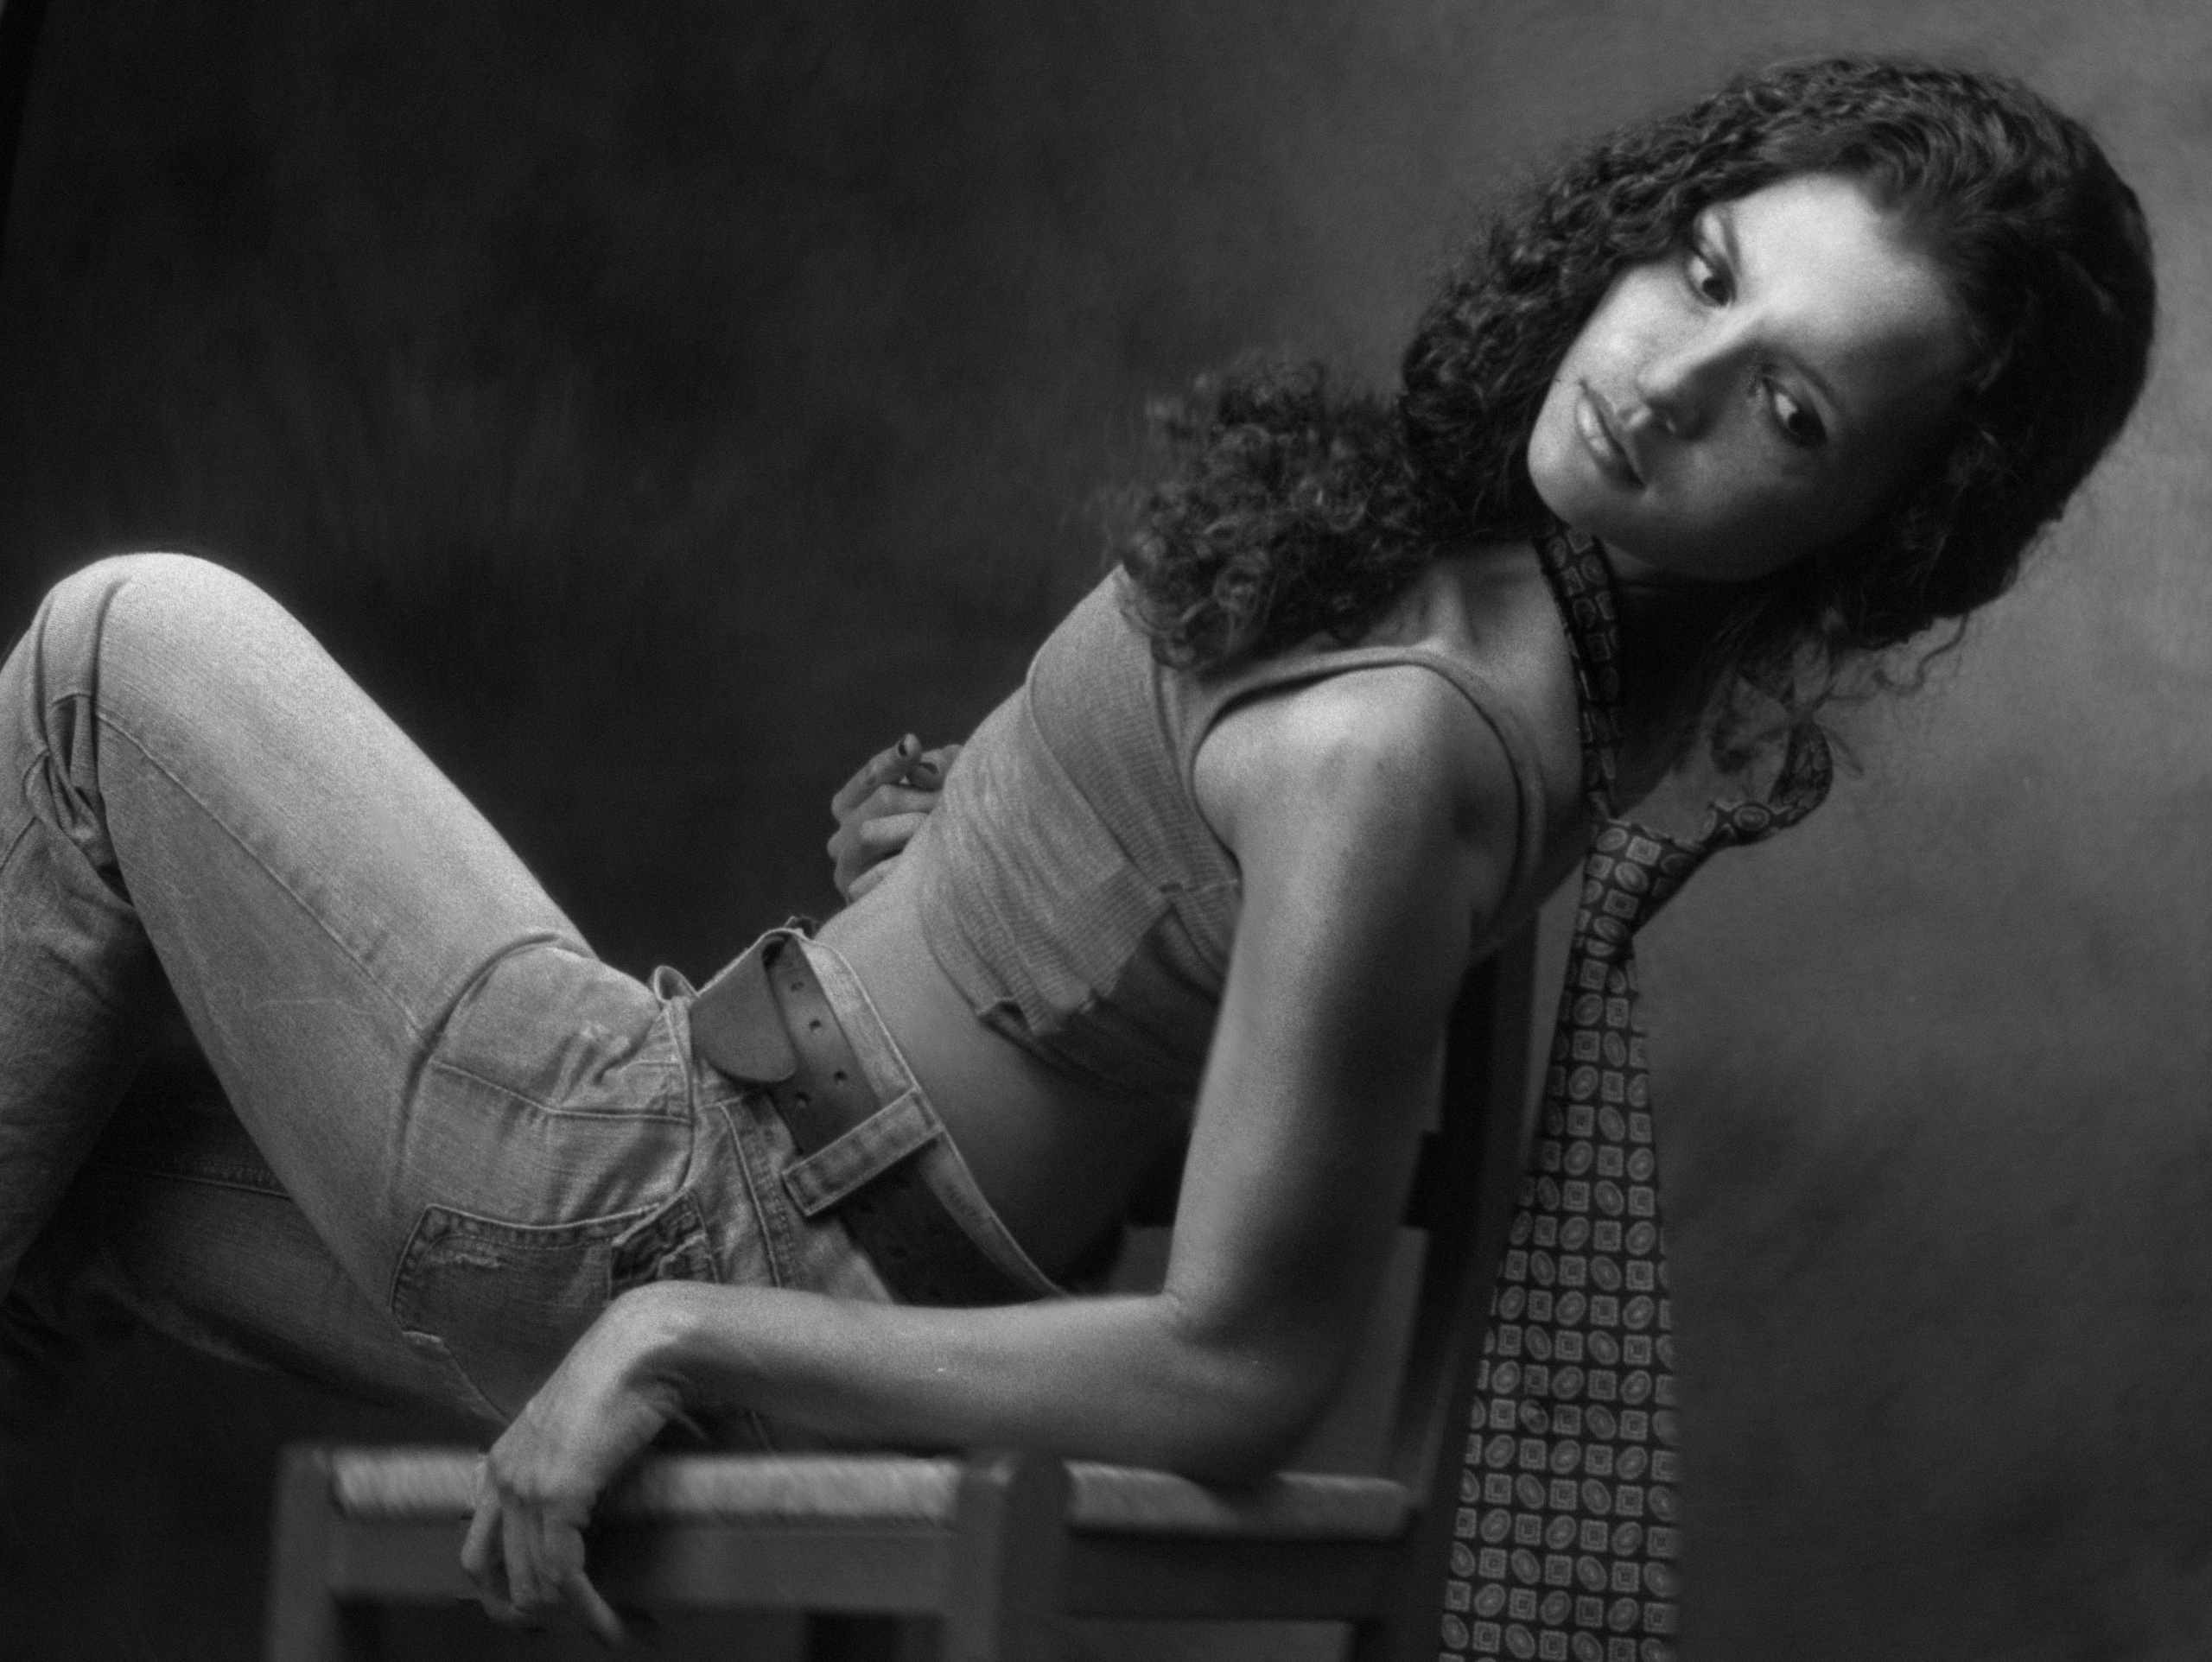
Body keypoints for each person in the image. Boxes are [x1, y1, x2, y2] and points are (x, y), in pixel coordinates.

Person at [0, 54, 2153, 1643]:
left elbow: (1237, 1365)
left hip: (673, 1224)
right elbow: (1180, 965)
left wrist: (679, 1334)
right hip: (745, 1197)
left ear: (1874, 540)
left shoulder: (1405, 744)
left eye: (1788, 411)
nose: (1668, 379)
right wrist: (991, 868)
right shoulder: (1529, 627)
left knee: (118, 646)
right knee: (58, 1135)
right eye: (1701, 271)